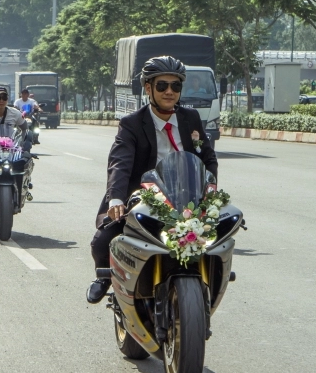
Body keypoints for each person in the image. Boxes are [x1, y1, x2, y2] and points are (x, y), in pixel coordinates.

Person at [86, 56, 218, 304]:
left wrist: (210, 190)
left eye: (175, 86)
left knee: (220, 235)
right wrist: (116, 198)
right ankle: (105, 277)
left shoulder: (191, 119)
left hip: (186, 197)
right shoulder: (132, 124)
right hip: (143, 197)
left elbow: (208, 160)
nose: (169, 92)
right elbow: (120, 163)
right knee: (101, 241)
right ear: (148, 88)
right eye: (162, 86)